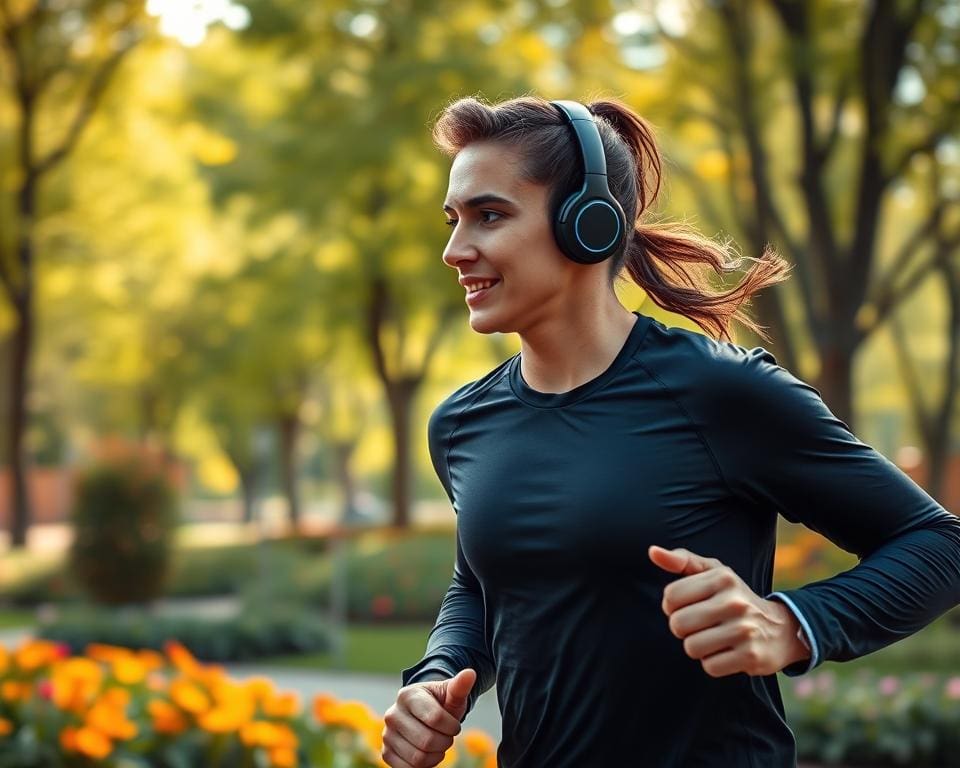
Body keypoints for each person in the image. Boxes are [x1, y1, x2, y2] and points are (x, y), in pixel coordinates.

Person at [380, 94, 960, 768]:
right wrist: (436, 675)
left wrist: (789, 624)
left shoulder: (721, 393)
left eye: (489, 215)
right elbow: (482, 587)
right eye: (452, 220)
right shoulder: (460, 424)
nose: (454, 250)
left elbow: (938, 547)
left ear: (586, 223)